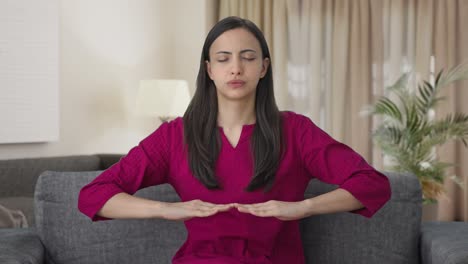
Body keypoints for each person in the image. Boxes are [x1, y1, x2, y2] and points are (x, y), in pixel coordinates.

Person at [78, 16, 391, 264]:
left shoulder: (296, 131)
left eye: (248, 57)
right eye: (224, 59)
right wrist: (163, 209)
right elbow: (94, 195)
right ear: (209, 69)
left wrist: (303, 207)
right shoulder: (175, 136)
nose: (236, 68)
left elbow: (372, 184)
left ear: (263, 67)